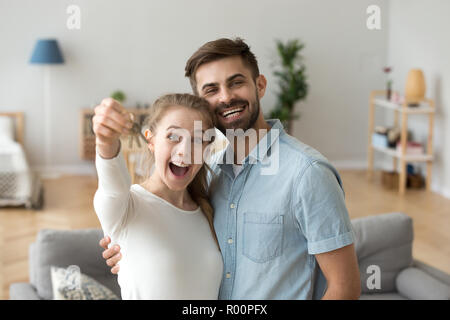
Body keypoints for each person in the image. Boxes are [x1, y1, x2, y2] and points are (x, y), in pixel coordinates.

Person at [99, 38, 361, 300]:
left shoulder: (307, 173)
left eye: (236, 82)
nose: (226, 97)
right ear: (203, 103)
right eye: (211, 90)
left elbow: (344, 288)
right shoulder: (209, 174)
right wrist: (134, 255)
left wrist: (105, 138)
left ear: (260, 85)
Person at [92, 93, 223, 299]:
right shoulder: (126, 206)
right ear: (150, 141)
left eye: (197, 140)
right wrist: (105, 139)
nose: (185, 151)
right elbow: (112, 181)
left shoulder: (210, 210)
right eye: (173, 137)